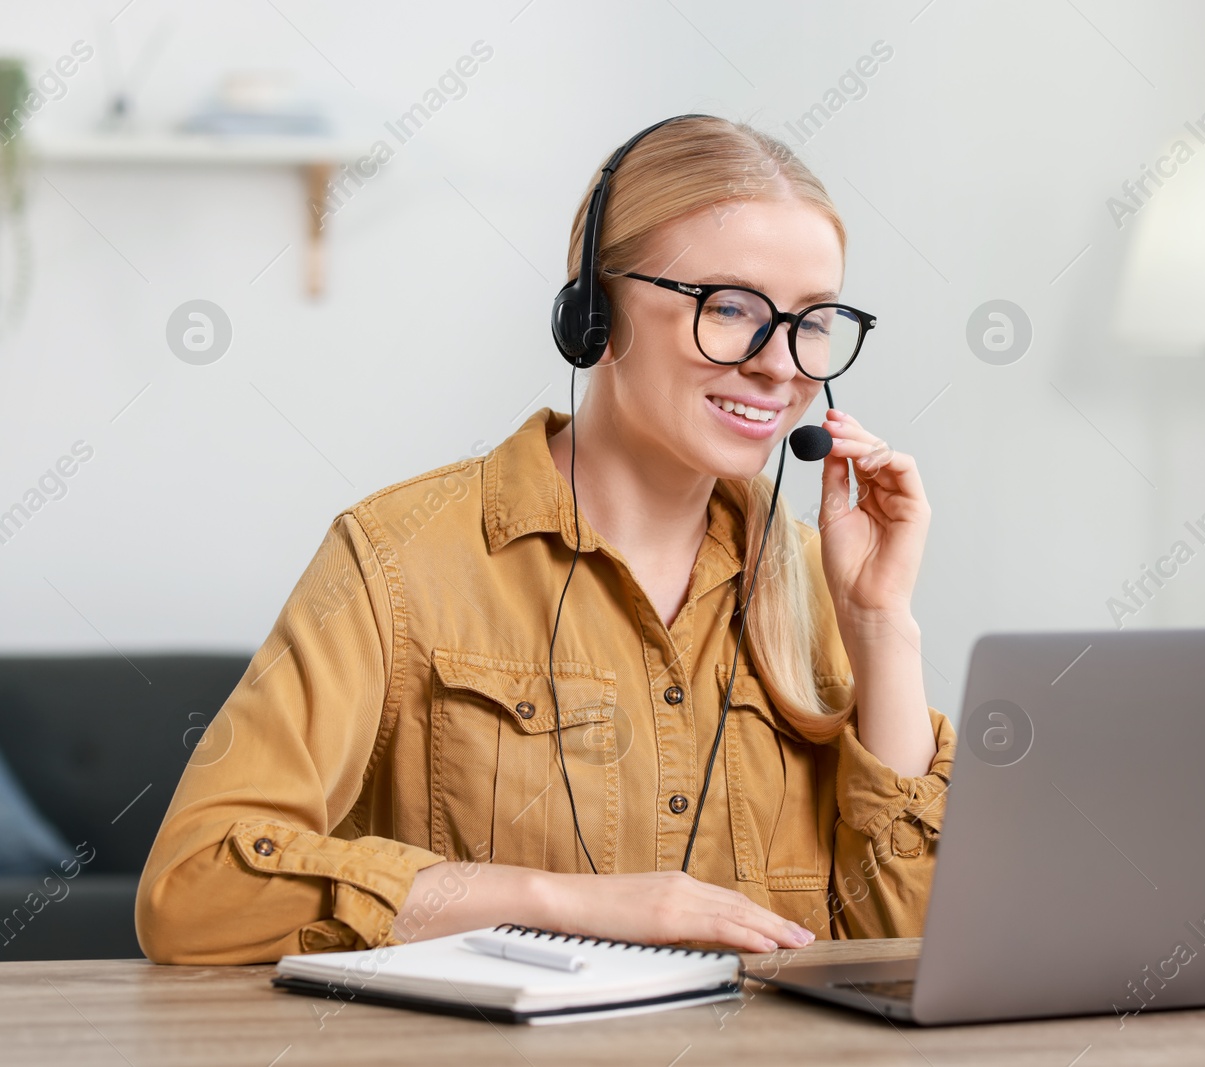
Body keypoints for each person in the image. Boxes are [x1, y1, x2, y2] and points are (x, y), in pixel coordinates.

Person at [135, 115, 955, 965]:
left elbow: (914, 958)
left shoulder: (819, 580)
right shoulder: (398, 560)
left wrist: (882, 626)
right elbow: (194, 890)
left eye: (813, 321)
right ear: (594, 311)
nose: (780, 365)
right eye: (733, 307)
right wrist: (563, 903)